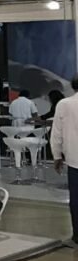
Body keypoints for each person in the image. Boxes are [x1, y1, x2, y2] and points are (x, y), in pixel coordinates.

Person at [50, 76, 78, 248]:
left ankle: (77, 236)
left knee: (75, 199)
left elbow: (57, 133)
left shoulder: (64, 104)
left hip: (74, 159)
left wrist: (57, 155)